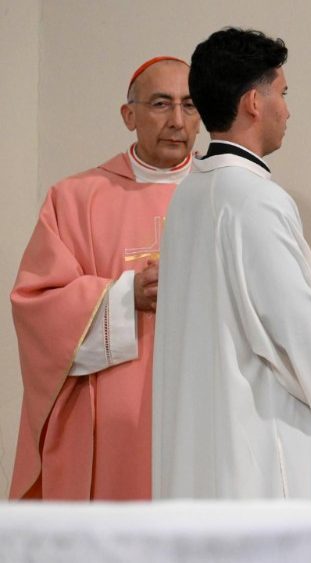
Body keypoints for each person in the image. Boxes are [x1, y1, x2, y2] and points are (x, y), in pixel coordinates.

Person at [152, 28, 311, 499]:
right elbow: (302, 337)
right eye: (283, 93)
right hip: (259, 452)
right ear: (254, 102)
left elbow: (267, 312)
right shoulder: (256, 199)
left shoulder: (190, 194)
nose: (288, 110)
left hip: (203, 450)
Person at [9, 57, 199, 500]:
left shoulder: (225, 195)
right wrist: (125, 294)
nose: (177, 121)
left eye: (189, 106)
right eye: (160, 103)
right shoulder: (76, 198)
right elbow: (37, 306)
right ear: (128, 115)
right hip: (108, 431)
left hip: (200, 411)